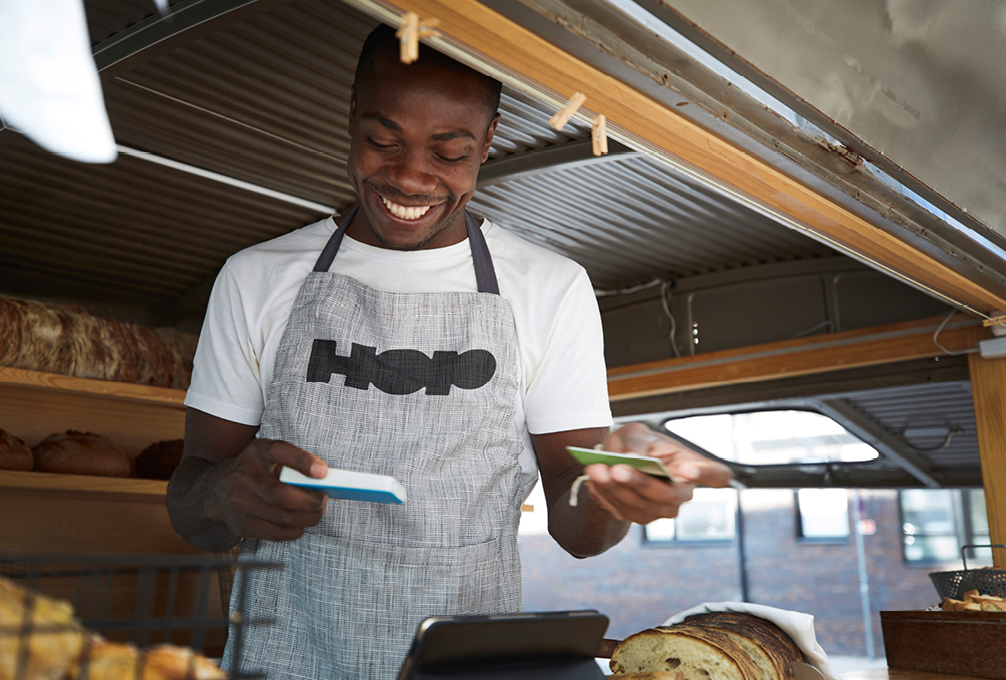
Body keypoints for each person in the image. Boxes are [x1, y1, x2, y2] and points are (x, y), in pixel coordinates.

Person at [167, 24, 733, 680]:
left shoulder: (549, 288)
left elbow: (574, 527)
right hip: (287, 657)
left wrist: (615, 489)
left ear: (489, 141)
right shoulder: (256, 277)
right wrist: (220, 493)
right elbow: (190, 504)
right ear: (351, 116)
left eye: (450, 150)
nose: (410, 176)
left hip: (465, 667)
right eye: (382, 140)